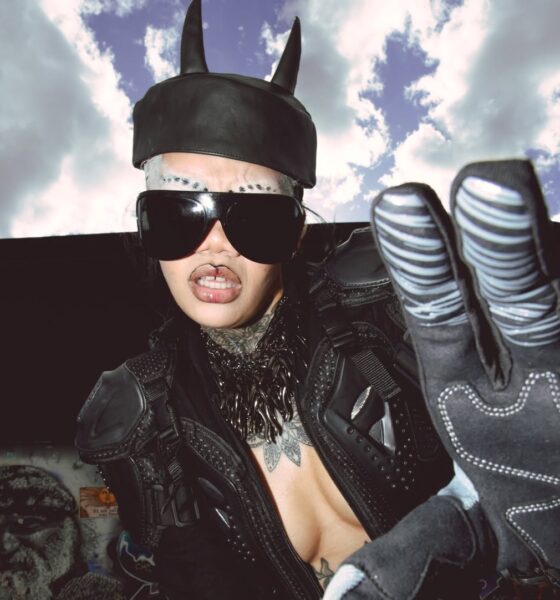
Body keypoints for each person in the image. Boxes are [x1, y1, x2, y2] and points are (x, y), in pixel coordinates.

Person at [76, 1, 560, 598]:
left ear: (298, 230)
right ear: (144, 225)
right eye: (180, 212)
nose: (215, 244)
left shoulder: (391, 312)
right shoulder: (141, 420)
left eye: (255, 216)